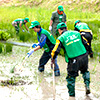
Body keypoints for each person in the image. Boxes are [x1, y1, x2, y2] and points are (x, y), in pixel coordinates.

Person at [51, 22, 91, 99]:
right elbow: (86, 43)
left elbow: (55, 50)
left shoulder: (61, 38)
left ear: (59, 30)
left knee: (71, 77)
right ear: (66, 28)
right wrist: (88, 53)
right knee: (85, 71)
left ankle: (72, 96)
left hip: (73, 60)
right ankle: (87, 85)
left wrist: (52, 59)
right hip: (84, 56)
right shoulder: (77, 33)